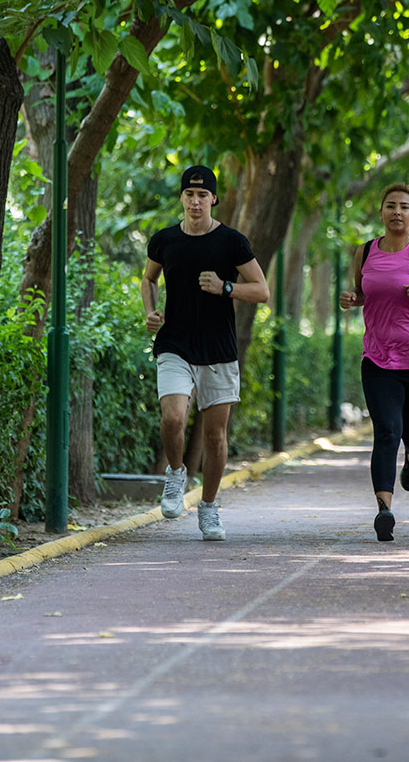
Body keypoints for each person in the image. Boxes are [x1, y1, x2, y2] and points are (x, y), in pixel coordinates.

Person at [141, 165, 269, 541]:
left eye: (202, 195)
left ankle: (209, 507)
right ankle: (176, 473)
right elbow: (148, 278)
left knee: (215, 437)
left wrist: (226, 287)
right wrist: (150, 311)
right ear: (181, 198)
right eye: (189, 195)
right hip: (175, 344)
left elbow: (261, 290)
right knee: (173, 417)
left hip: (218, 350)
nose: (195, 201)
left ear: (213, 198)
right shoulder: (164, 240)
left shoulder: (232, 242)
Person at [339, 182, 409, 541]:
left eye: (404, 207)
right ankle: (384, 510)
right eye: (391, 206)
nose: (397, 212)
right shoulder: (365, 252)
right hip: (379, 358)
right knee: (387, 431)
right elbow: (362, 293)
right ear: (382, 213)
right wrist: (350, 298)